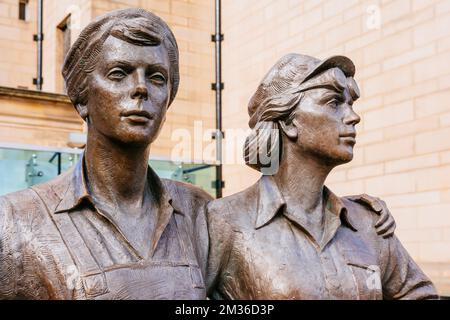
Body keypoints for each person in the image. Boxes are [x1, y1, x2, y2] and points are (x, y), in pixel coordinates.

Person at [0, 8, 211, 300]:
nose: (141, 88)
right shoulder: (15, 220)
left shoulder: (199, 210)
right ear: (83, 97)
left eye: (157, 77)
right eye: (119, 73)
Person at [206, 53, 438, 300]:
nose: (353, 116)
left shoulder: (369, 223)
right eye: (334, 102)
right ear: (288, 122)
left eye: (351, 104)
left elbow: (419, 295)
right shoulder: (224, 222)